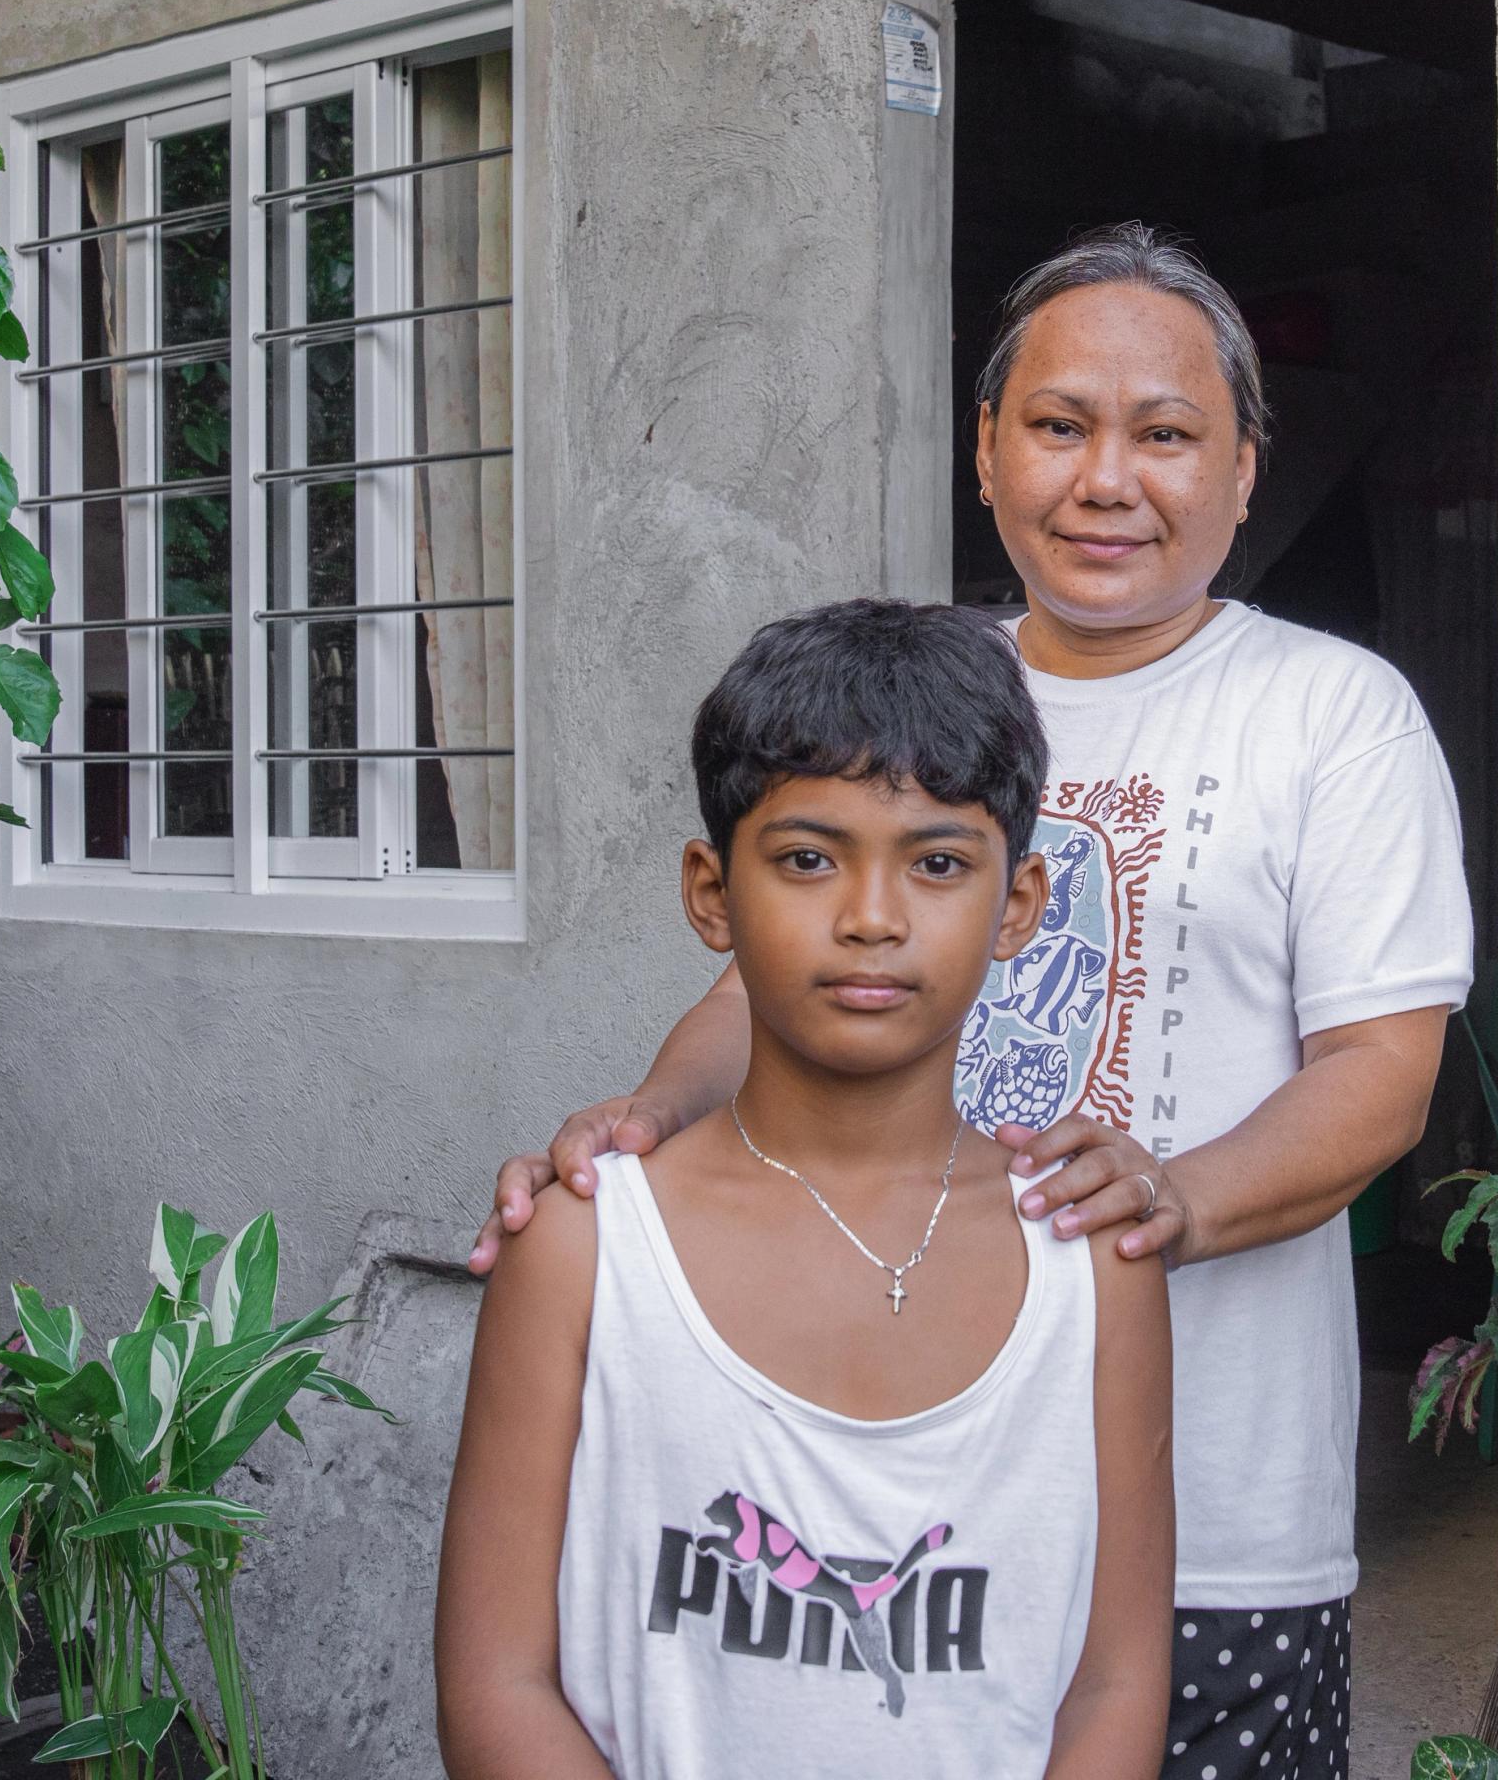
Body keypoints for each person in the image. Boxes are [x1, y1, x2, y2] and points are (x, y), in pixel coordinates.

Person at [474, 223, 1474, 1780]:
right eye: (1061, 425)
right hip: (887, 1482)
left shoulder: (1330, 714)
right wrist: (643, 1122)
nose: (1107, 478)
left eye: (1166, 434)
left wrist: (1154, 1206)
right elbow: (772, 983)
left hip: (1217, 1505)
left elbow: (1382, 1080)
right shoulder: (922, 693)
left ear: (1244, 470)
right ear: (990, 450)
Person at [437, 600, 1175, 1780]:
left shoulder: (1089, 1262)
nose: (872, 918)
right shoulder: (587, 1248)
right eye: (807, 859)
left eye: (937, 863)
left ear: (1020, 905)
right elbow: (495, 1684)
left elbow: (1116, 1681)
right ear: (711, 890)